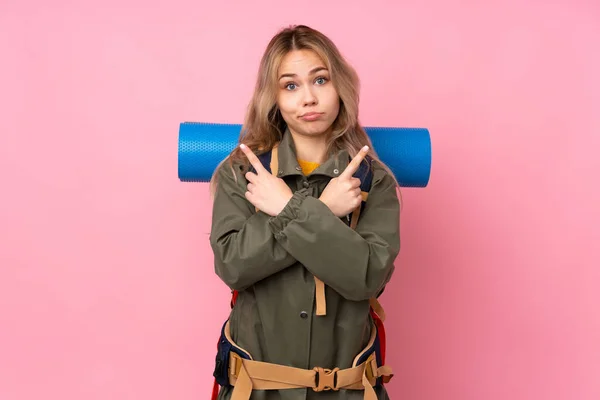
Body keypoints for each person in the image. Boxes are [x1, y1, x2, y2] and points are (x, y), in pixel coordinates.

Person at [209, 24, 401, 400]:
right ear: (274, 98)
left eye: (320, 80)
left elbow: (367, 277)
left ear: (339, 86)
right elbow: (232, 266)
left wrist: (286, 209)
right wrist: (323, 210)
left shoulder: (372, 180)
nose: (309, 98)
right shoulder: (243, 173)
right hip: (256, 391)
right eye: (291, 85)